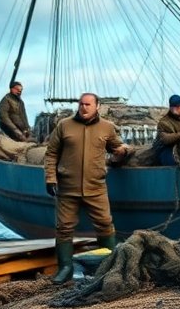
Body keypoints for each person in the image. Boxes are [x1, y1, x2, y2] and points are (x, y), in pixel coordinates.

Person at [43, 93, 129, 284]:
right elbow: (51, 154)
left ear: (97, 106)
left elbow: (116, 147)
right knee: (64, 228)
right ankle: (65, 268)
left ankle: (110, 267)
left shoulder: (106, 127)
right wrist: (50, 178)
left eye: (88, 104)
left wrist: (124, 151)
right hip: (67, 187)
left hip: (96, 186)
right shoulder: (64, 125)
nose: (83, 107)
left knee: (105, 224)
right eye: (81, 104)